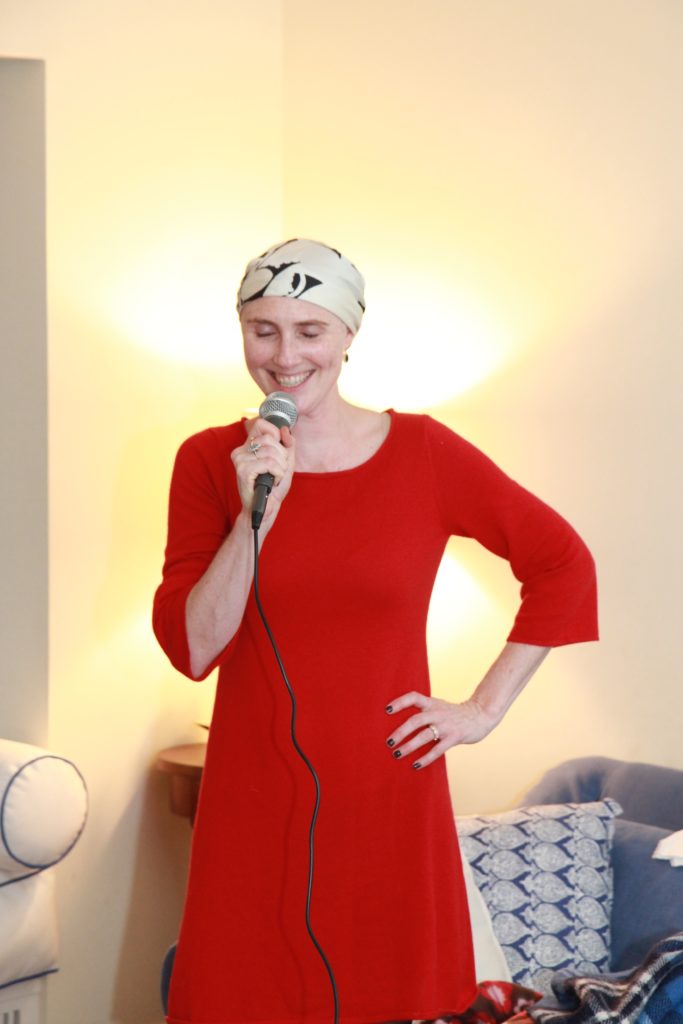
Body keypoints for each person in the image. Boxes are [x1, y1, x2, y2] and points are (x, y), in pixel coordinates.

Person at [153, 238, 598, 1024]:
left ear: (349, 335)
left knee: (389, 1000)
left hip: (388, 790)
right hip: (250, 799)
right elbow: (193, 647)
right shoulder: (208, 462)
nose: (285, 355)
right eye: (262, 330)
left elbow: (562, 563)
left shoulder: (425, 453)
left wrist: (480, 709)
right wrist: (260, 509)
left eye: (309, 330)